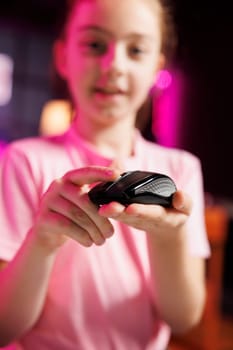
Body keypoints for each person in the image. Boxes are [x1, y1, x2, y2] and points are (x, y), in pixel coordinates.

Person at [0, 0, 210, 349]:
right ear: (63, 56)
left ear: (157, 68)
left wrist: (168, 238)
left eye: (136, 49)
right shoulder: (24, 160)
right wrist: (43, 240)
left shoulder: (181, 169)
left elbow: (184, 318)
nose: (114, 65)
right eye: (96, 45)